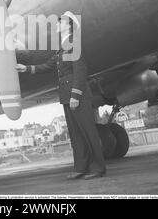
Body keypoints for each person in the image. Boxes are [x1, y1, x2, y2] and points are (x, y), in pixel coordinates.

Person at [16, 11, 106, 180]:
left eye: (60, 22)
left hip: (76, 95)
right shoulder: (63, 47)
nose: (57, 24)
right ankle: (81, 167)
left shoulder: (73, 43)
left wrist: (76, 95)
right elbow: (48, 66)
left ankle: (98, 168)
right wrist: (26, 68)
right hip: (67, 96)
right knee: (76, 134)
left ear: (69, 25)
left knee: (88, 131)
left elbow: (80, 70)